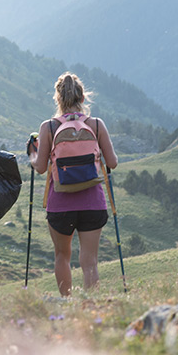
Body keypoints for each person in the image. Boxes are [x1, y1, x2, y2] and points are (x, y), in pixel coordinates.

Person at [29, 72, 119, 296]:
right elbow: (113, 163)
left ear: (58, 99)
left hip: (60, 204)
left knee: (62, 256)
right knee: (90, 263)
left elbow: (40, 168)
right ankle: (90, 309)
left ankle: (67, 305)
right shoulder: (96, 125)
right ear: (83, 98)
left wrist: (32, 154)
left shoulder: (48, 127)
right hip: (93, 202)